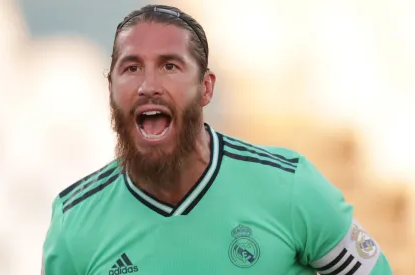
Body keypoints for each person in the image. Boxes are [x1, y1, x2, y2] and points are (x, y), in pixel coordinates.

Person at [42, 4, 393, 275]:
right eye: (132, 68)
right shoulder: (74, 222)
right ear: (111, 88)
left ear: (205, 87)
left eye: (170, 66)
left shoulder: (290, 186)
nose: (148, 85)